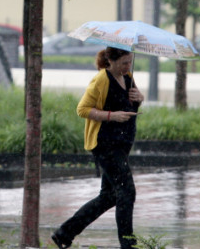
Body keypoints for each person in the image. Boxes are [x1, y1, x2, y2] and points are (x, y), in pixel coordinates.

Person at [51, 47, 144, 249]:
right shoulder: (101, 79)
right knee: (127, 191)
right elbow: (82, 109)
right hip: (106, 144)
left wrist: (139, 99)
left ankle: (64, 234)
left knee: (110, 196)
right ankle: (128, 245)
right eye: (124, 62)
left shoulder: (127, 77)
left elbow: (129, 106)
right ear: (110, 60)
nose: (128, 66)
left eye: (130, 61)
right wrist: (112, 116)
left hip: (122, 144)